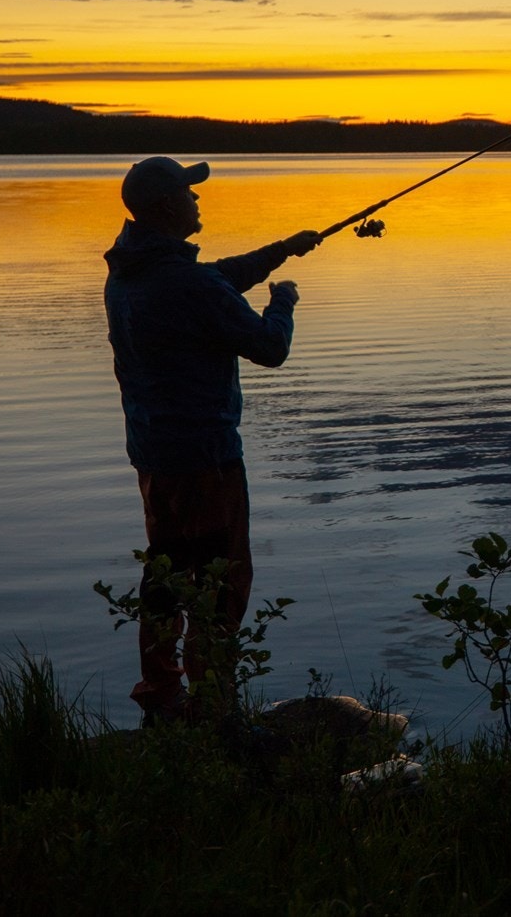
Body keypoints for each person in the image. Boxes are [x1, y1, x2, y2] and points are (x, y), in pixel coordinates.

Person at [103, 156, 322, 724]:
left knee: (166, 578)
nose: (199, 200)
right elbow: (268, 347)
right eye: (190, 193)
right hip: (207, 460)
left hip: (154, 458)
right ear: (167, 206)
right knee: (222, 583)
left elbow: (216, 278)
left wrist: (282, 247)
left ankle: (163, 697)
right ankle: (214, 705)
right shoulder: (186, 281)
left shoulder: (131, 270)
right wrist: (284, 301)